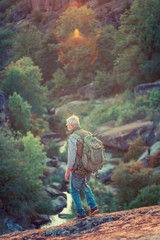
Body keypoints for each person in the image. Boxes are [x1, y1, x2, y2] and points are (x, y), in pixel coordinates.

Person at [65, 115, 99, 220]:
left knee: (74, 190)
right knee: (84, 184)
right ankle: (93, 207)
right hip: (88, 166)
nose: (66, 127)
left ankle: (81, 213)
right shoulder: (88, 134)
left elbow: (71, 157)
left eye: (67, 125)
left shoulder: (73, 137)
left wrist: (68, 170)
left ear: (71, 125)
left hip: (78, 168)